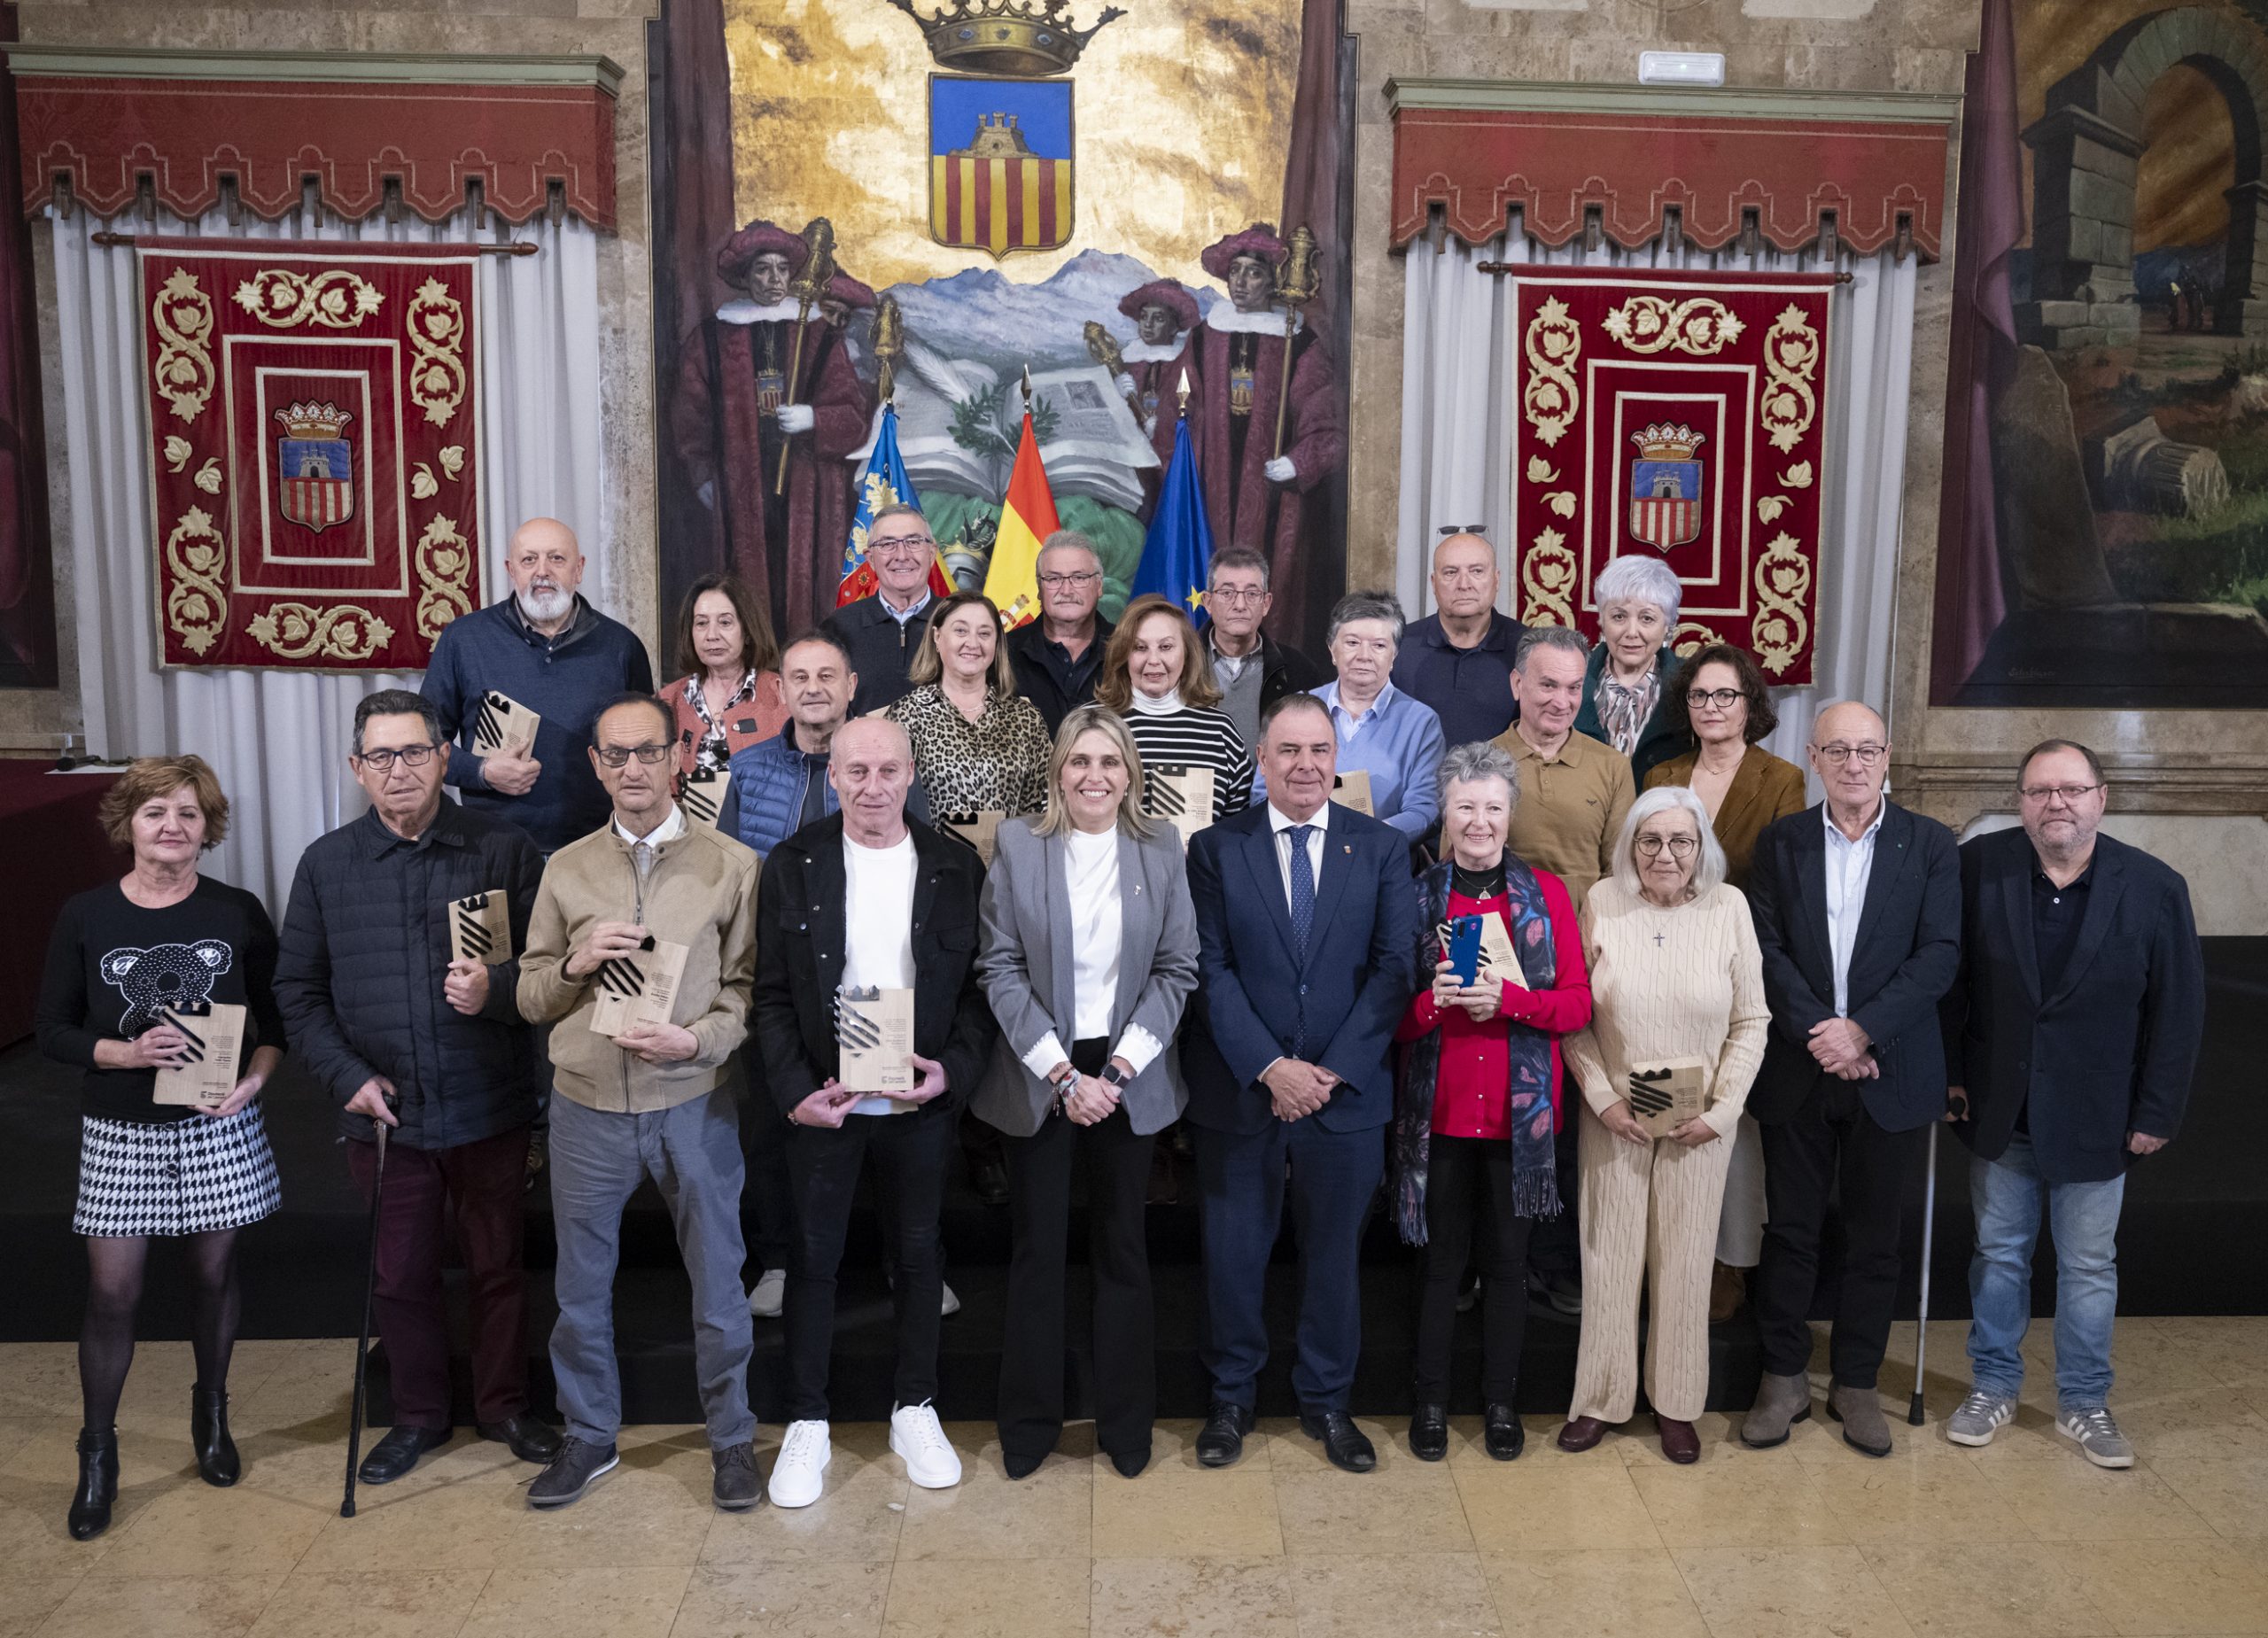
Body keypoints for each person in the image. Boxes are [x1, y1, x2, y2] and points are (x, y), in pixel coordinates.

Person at [274, 693, 557, 1487]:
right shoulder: (327, 864)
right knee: (400, 1275)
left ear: (444, 756)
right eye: (382, 757)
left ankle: (504, 1405)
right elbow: (297, 992)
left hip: (488, 1104)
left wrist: (495, 991)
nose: (400, 770)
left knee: (499, 1266)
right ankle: (419, 1415)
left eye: (415, 752)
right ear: (357, 769)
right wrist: (348, 1078)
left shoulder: (502, 847)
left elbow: (544, 974)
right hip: (385, 1115)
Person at [516, 694, 763, 1510]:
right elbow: (530, 996)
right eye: (615, 755)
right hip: (587, 1107)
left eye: (647, 752)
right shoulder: (566, 868)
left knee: (719, 1286)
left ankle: (732, 1440)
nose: (632, 769)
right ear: (595, 764)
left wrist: (696, 1043)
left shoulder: (731, 863)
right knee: (581, 1289)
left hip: (693, 1101)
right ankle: (589, 1435)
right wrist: (578, 961)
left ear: (676, 758)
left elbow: (745, 994)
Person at [36, 756, 285, 1540]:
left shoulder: (237, 910)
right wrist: (125, 1053)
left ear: (207, 827)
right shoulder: (86, 914)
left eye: (187, 812)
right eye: (155, 813)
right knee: (113, 1292)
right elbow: (53, 1030)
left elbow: (275, 1025)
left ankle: (210, 1417)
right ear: (128, 825)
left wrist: (255, 1080)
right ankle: (98, 1450)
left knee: (214, 1275)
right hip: (120, 1125)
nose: (171, 826)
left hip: (216, 1120)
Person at [752, 717, 996, 1507]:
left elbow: (979, 996)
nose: (873, 786)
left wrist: (948, 1075)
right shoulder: (792, 864)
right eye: (856, 771)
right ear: (833, 776)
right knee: (814, 1259)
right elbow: (773, 996)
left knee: (921, 1255)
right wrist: (797, 1091)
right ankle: (807, 1420)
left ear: (911, 772)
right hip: (828, 1097)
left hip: (919, 1099)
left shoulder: (956, 865)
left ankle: (914, 1406)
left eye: (888, 770)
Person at [1941, 741, 2205, 1468]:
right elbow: (1952, 985)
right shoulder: (1978, 869)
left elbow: (2178, 1011)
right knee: (1999, 1256)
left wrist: (2158, 1111)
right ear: (2020, 800)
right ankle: (1992, 1385)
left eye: (2071, 789)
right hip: (2001, 1109)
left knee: (2088, 1266)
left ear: (2102, 797)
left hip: (2101, 1115)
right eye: (2039, 790)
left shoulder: (2154, 886)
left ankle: (2084, 1401)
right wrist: (1952, 1076)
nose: (2055, 802)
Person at [1182, 693, 1418, 1473]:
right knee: (1233, 1253)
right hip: (1245, 1091)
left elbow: (1394, 971)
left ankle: (1328, 1400)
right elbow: (1209, 970)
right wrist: (1271, 1067)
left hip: (1343, 1095)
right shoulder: (1217, 848)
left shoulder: (1381, 847)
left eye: (1320, 750)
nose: (1306, 765)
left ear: (1335, 760)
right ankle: (1231, 1399)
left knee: (1333, 1259)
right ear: (1261, 757)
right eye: (1288, 750)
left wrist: (1329, 1071)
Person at [974, 706, 1200, 1478]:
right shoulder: (1017, 843)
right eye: (1079, 761)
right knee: (1038, 1251)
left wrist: (1119, 1072)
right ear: (1058, 771)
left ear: (1130, 773)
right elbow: (998, 967)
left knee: (1124, 1251)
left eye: (1109, 761)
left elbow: (1177, 969)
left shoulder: (1161, 845)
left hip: (1128, 1073)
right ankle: (1030, 1424)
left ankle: (1127, 1424)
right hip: (1044, 1070)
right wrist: (1066, 1075)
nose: (1094, 776)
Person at [1740, 701, 1960, 1459]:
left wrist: (1862, 1029)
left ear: (1887, 755)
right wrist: (1824, 1033)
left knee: (1875, 1238)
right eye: (1838, 749)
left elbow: (1938, 954)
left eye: (1867, 749)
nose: (1855, 763)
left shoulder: (1930, 844)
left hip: (1890, 1068)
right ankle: (1784, 1375)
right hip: (1800, 1068)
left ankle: (1858, 1381)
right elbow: (1765, 948)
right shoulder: (1782, 841)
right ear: (1814, 756)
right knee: (1792, 1232)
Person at [1391, 742, 1590, 1463]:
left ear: (1512, 815)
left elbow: (1575, 1006)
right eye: (1465, 806)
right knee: (1440, 1266)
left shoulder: (1549, 896)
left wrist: (1510, 1000)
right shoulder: (1416, 896)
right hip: (1439, 1117)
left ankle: (1502, 1400)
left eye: (1492, 808)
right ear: (1445, 814)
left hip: (1519, 1119)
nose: (1479, 821)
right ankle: (1432, 1400)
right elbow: (1392, 1017)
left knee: (1509, 1264)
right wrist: (1430, 1002)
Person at [1557, 788, 1769, 1463]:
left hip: (1698, 1128)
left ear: (1702, 846)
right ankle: (1601, 1399)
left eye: (1682, 840)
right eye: (1650, 840)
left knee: (1683, 1266)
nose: (1665, 854)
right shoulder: (1602, 902)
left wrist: (1721, 1110)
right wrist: (1601, 1098)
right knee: (1610, 1260)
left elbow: (1752, 1020)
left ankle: (1677, 1404)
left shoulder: (1728, 907)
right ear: (1629, 846)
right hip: (1615, 1120)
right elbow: (1575, 1019)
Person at [1643, 643, 1807, 1324]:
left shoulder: (1781, 777)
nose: (1713, 708)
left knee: (1727, 1119)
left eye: (1726, 696)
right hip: (1659, 959)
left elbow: (1777, 880)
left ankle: (1728, 1262)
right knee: (1659, 1104)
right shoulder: (1662, 772)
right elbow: (1641, 856)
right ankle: (1660, 1255)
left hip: (1736, 959)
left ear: (1751, 705)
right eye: (1701, 696)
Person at [1490, 625, 1635, 1313]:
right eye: (1547, 684)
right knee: (1508, 1123)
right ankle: (1497, 1263)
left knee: (1578, 1128)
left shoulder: (1610, 766)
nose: (1561, 699)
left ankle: (1560, 1264)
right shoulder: (1485, 760)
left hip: (1583, 976)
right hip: (1504, 973)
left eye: (1574, 687)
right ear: (1517, 684)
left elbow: (1624, 879)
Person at [669, 217, 871, 634]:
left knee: (804, 584)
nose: (775, 279)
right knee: (747, 586)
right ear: (745, 276)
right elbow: (690, 417)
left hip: (807, 489)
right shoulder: (711, 338)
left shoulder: (817, 335)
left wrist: (814, 419)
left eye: (782, 268)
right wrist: (705, 476)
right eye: (763, 269)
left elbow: (852, 417)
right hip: (740, 489)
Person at [421, 516, 656, 857]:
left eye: (556, 558)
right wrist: (482, 771)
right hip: (490, 849)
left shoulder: (621, 646)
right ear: (511, 570)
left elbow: (647, 748)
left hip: (599, 851)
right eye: (529, 559)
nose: (542, 571)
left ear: (579, 568)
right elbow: (424, 744)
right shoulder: (464, 640)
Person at [1182, 223, 1345, 639]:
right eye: (1234, 272)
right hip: (1211, 486)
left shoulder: (1299, 341)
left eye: (1252, 273)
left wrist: (1296, 462)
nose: (1241, 282)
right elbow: (1183, 409)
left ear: (1273, 278)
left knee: (1272, 580)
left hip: (1276, 495)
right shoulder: (1203, 338)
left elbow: (1324, 419)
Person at [1258, 591, 1445, 841]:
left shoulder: (1420, 722)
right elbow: (1260, 792)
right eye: (1352, 643)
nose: (1364, 656)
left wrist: (1362, 840)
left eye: (1379, 645)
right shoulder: (1293, 711)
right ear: (1332, 649)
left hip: (1379, 863)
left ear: (1394, 655)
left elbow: (1424, 810)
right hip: (1295, 852)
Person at [882, 590, 1052, 826]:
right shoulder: (906, 716)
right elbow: (887, 801)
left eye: (984, 633)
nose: (972, 643)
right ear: (937, 636)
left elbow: (1042, 806)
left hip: (1008, 860)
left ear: (996, 643)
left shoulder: (1026, 719)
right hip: (931, 859)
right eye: (960, 630)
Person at [1099, 594, 1254, 827]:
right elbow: (1058, 807)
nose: (1153, 659)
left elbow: (1239, 827)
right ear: (1123, 654)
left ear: (1187, 653)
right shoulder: (1092, 723)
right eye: (1140, 648)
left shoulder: (1220, 731)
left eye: (1166, 647)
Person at [1393, 530, 1525, 747]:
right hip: (1420, 780)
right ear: (1434, 583)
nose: (1464, 584)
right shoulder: (1397, 646)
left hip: (1505, 778)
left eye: (1477, 571)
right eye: (1451, 572)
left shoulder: (1529, 648)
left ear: (1496, 579)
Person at [1573, 556, 1692, 788]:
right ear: (1601, 620)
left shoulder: (1691, 684)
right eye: (1619, 616)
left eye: (1647, 618)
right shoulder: (1571, 678)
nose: (1631, 632)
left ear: (1667, 625)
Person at [662, 572, 786, 780]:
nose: (712, 635)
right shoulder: (668, 700)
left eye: (725, 623)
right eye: (701, 623)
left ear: (747, 631)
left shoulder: (781, 694)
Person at [825, 503, 941, 719]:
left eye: (914, 542)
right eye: (887, 544)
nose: (902, 555)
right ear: (870, 559)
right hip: (864, 751)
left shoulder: (959, 623)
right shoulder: (838, 627)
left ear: (931, 553)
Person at [1201, 546, 1321, 751]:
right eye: (1227, 593)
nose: (1240, 604)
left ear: (1266, 603)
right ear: (1208, 601)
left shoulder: (1299, 670)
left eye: (1251, 593)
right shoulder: (1181, 664)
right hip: (1197, 784)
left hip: (1269, 784)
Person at [1005, 532, 1116, 734]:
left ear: (1099, 586)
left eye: (1079, 577)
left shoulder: (1128, 649)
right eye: (1054, 578)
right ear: (1039, 588)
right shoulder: (1003, 652)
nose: (1066, 590)